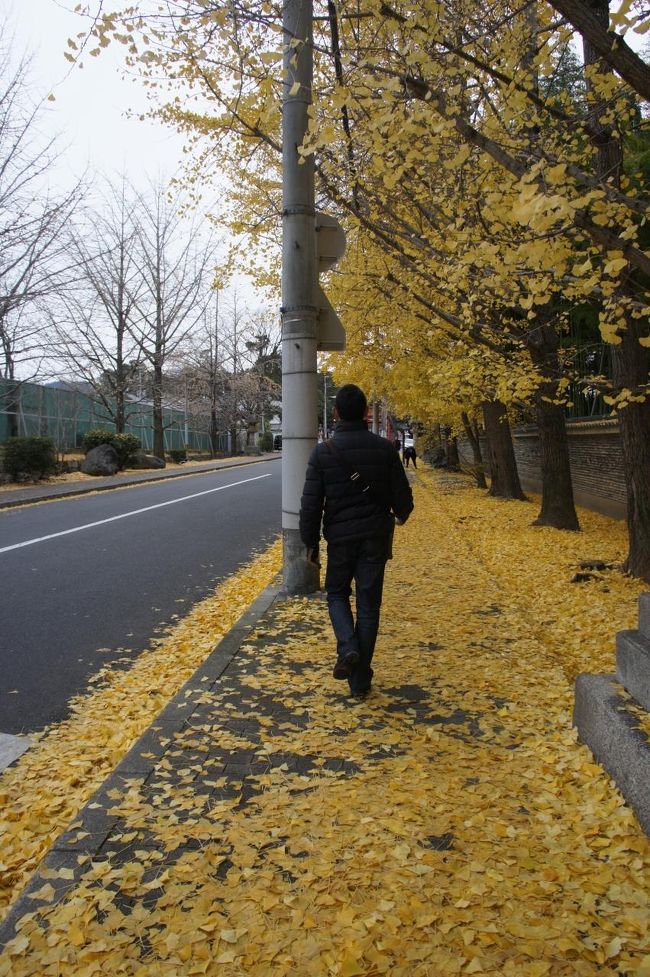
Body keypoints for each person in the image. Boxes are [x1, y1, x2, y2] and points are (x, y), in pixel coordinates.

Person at [299, 384, 414, 699]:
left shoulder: (324, 453)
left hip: (340, 539)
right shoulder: (384, 449)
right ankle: (360, 680)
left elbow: (311, 504)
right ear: (366, 413)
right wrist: (401, 515)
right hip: (375, 538)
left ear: (335, 413)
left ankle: (348, 648)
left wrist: (309, 544)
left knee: (336, 593)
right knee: (368, 605)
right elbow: (403, 498)